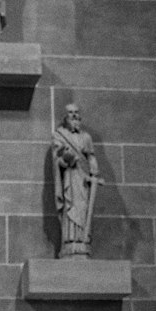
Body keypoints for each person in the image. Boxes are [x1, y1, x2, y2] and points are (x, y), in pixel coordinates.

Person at [51, 103, 100, 258]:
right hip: (69, 178)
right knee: (70, 206)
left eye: (76, 112)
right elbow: (57, 159)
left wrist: (94, 171)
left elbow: (91, 156)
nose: (74, 115)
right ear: (65, 117)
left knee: (83, 207)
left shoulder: (86, 137)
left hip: (83, 179)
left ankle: (82, 241)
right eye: (70, 113)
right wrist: (65, 159)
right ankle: (69, 241)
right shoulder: (59, 135)